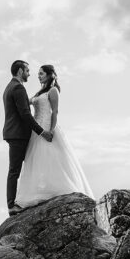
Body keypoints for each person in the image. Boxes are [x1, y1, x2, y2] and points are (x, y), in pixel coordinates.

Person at [14, 64, 94, 209]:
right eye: (38, 73)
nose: (38, 76)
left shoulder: (53, 90)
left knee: (50, 158)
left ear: (50, 75)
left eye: (41, 73)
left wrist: (50, 130)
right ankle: (38, 191)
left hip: (46, 127)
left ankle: (55, 190)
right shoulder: (40, 92)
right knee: (36, 160)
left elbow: (55, 112)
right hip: (36, 130)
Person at [3, 60, 52, 215]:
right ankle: (11, 205)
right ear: (19, 71)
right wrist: (41, 131)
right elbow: (25, 114)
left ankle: (26, 198)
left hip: (15, 133)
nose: (29, 74)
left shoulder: (10, 86)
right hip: (17, 135)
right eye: (27, 70)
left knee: (28, 166)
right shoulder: (17, 88)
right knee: (14, 170)